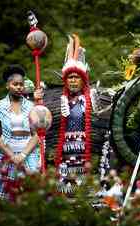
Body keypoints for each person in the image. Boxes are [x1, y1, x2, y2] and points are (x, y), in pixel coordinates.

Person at [0, 65, 40, 200]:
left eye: (21, 84)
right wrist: (12, 156)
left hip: (28, 155)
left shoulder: (32, 106)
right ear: (7, 85)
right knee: (4, 199)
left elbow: (36, 134)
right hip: (7, 155)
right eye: (15, 84)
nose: (19, 87)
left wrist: (23, 155)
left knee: (31, 196)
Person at [55, 34, 92, 194]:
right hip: (64, 151)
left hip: (85, 149)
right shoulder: (58, 100)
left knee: (82, 188)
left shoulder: (91, 100)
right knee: (64, 188)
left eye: (77, 77)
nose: (73, 81)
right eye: (70, 77)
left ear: (83, 80)